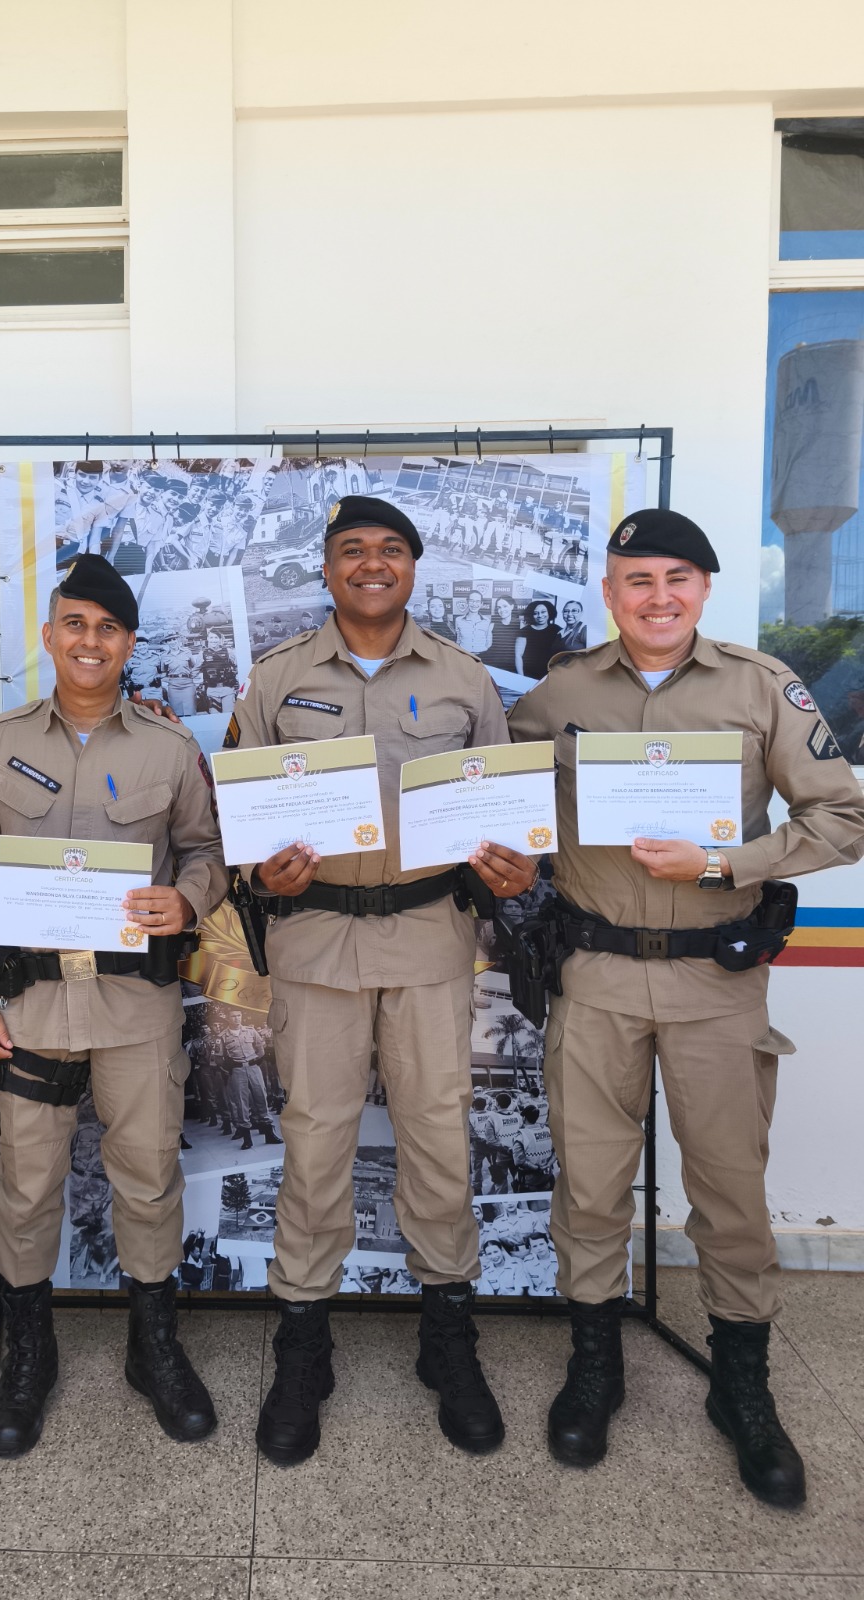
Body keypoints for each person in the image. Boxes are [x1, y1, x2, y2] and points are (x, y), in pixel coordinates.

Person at [507, 508, 864, 1507]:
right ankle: (596, 1362)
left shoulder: (761, 687)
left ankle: (740, 1383)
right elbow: (503, 799)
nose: (656, 596)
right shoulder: (561, 694)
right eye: (636, 579)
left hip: (716, 981)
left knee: (730, 1189)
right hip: (596, 976)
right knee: (591, 1182)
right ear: (609, 592)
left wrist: (725, 862)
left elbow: (844, 815)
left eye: (676, 577)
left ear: (703, 587)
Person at [227, 494, 537, 1467]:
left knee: (438, 1136)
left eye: (390, 549)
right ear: (326, 570)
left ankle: (448, 1333)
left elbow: (501, 808)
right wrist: (262, 871)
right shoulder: (277, 678)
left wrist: (512, 862)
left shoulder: (462, 678)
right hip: (316, 942)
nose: (372, 563)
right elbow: (239, 818)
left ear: (413, 566)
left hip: (429, 941)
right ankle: (303, 1341)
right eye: (352, 549)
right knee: (314, 1141)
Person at [0, 554, 228, 1458]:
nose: (90, 641)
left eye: (107, 629)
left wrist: (187, 899)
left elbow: (207, 852)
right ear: (49, 634)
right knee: (27, 1185)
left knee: (147, 1176)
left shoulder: (168, 748)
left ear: (129, 643)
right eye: (75, 624)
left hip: (134, 1006)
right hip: (28, 1006)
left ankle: (154, 1347)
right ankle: (30, 1355)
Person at [219, 1008, 282, 1148]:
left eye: (239, 1015)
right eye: (233, 1016)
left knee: (261, 1097)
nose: (237, 1018)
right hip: (237, 1071)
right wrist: (230, 1067)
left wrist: (254, 1062)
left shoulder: (250, 1031)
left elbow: (260, 1049)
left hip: (254, 1068)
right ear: (228, 1018)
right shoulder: (223, 1037)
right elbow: (219, 1058)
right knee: (241, 1102)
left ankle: (269, 1134)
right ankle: (247, 1138)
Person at [514, 599, 563, 681]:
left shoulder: (557, 630)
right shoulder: (524, 631)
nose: (540, 615)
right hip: (528, 675)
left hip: (551, 675)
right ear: (531, 615)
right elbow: (518, 656)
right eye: (535, 613)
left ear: (549, 612)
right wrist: (521, 678)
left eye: (543, 612)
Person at [482, 594, 521, 673]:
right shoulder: (492, 625)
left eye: (505, 606)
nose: (502, 610)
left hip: (512, 667)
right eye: (499, 607)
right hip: (493, 665)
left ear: (512, 607)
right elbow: (487, 646)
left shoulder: (521, 625)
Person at [454, 589, 493, 656]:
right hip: (464, 655)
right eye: (471, 601)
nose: (474, 604)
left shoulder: (487, 621)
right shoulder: (458, 620)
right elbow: (458, 640)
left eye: (477, 601)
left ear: (481, 604)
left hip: (482, 656)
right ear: (467, 602)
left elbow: (488, 642)